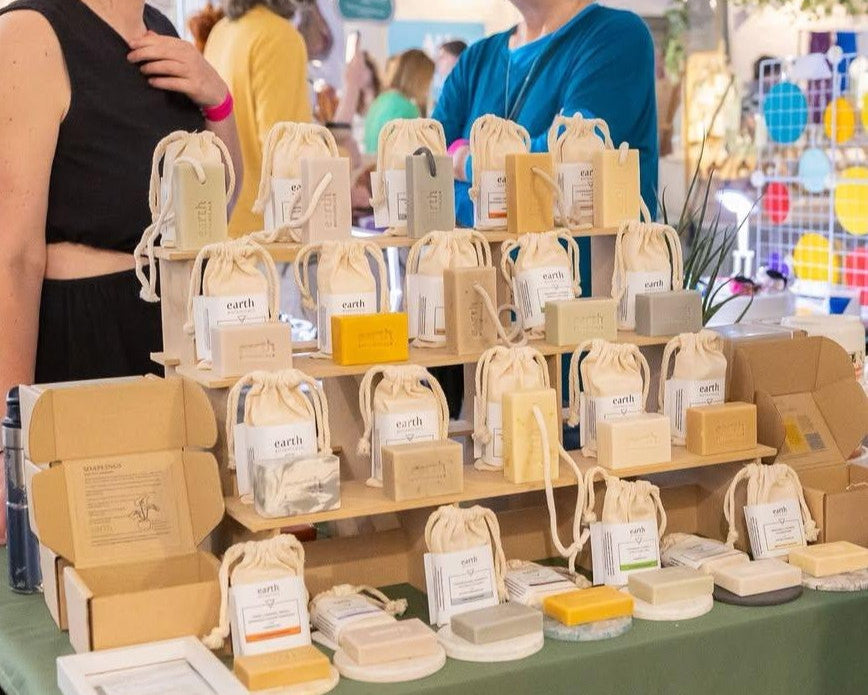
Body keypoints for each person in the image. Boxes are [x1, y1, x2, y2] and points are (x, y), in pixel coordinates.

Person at [0, 0, 242, 408]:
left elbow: (216, 211)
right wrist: (9, 430)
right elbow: (14, 258)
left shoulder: (161, 29)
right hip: (84, 345)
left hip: (170, 339)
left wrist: (218, 101)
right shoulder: (29, 33)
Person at [432, 0, 659, 227]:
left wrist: (463, 164)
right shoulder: (476, 59)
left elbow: (566, 157)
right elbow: (428, 164)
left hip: (571, 260)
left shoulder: (616, 37)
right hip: (475, 261)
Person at [205, 0, 311, 236]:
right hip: (266, 236)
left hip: (223, 226)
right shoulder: (279, 37)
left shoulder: (221, 32)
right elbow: (285, 153)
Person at [363, 48, 435, 154]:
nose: (428, 88)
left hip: (373, 168)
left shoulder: (379, 101)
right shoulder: (408, 109)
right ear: (419, 79)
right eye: (429, 80)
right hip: (394, 169)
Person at [430, 39, 467, 112]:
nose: (437, 61)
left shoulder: (464, 87)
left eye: (442, 57)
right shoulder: (450, 86)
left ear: (457, 59)